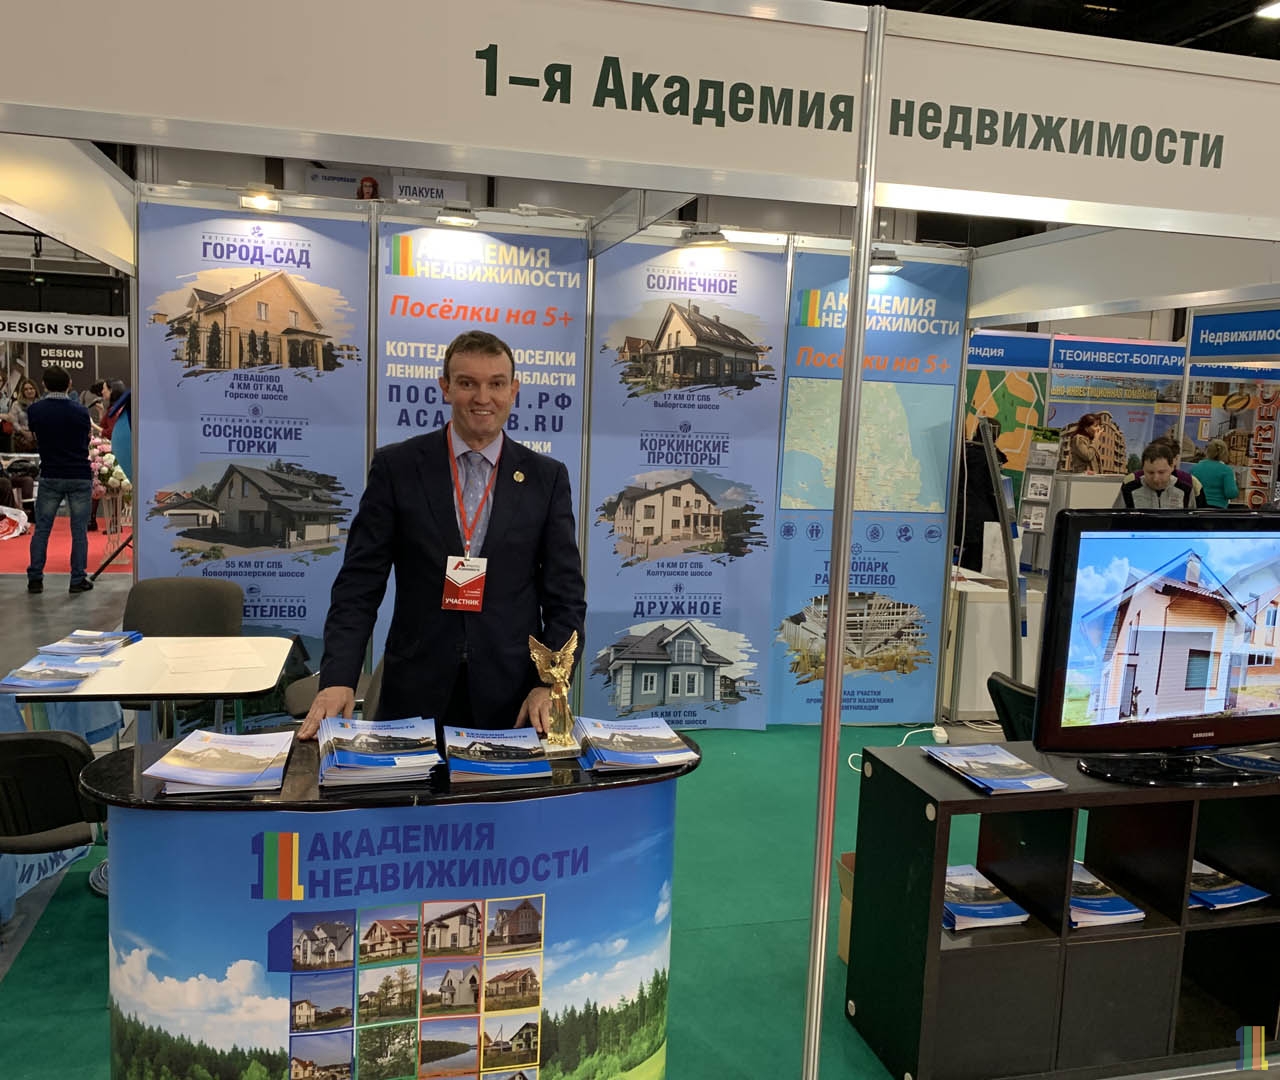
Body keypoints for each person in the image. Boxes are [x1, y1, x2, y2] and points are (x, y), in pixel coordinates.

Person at [299, 330, 586, 739]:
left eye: (496, 384)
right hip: (414, 689)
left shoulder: (546, 478)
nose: (483, 398)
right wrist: (338, 678)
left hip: (515, 698)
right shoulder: (397, 468)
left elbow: (565, 595)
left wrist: (550, 683)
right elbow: (359, 584)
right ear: (446, 387)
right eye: (468, 383)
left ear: (513, 390)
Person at [25, 366, 93, 594]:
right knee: (79, 531)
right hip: (79, 475)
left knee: (42, 529)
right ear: (69, 384)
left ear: (44, 384)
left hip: (50, 473)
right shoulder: (81, 411)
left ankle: (35, 578)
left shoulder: (35, 410)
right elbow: (86, 438)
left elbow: (35, 437)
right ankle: (77, 579)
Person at [954, 419, 1008, 573]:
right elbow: (994, 491)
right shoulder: (991, 459)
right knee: (976, 559)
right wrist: (1004, 518)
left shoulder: (961, 452)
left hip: (959, 512)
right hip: (982, 518)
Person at [1114, 441, 1197, 509]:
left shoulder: (1186, 490)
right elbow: (1115, 521)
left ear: (1172, 467)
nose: (1155, 478)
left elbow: (1193, 522)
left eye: (1161, 472)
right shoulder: (1128, 490)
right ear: (1143, 468)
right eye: (1150, 472)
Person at [1191, 438, 1239, 508]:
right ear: (1224, 453)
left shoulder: (1195, 467)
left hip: (1198, 507)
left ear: (1208, 451)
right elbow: (1231, 493)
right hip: (1217, 509)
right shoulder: (1226, 470)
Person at [8, 376, 40, 452]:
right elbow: (14, 422)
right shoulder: (16, 404)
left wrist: (34, 434)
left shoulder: (41, 404)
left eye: (31, 388)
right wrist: (24, 433)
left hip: (38, 438)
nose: (29, 391)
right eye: (26, 389)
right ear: (22, 392)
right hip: (21, 438)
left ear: (35, 390)